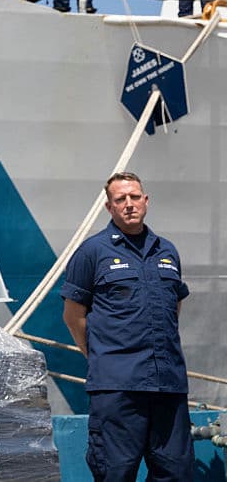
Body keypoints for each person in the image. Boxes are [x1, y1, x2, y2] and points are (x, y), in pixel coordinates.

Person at [61, 172, 193, 481]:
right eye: (121, 199)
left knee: (176, 472)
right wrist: (101, 357)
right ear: (109, 207)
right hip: (117, 388)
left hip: (168, 384)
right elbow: (73, 315)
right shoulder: (92, 252)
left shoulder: (167, 251)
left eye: (135, 197)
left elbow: (175, 305)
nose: (129, 204)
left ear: (146, 201)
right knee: (115, 472)